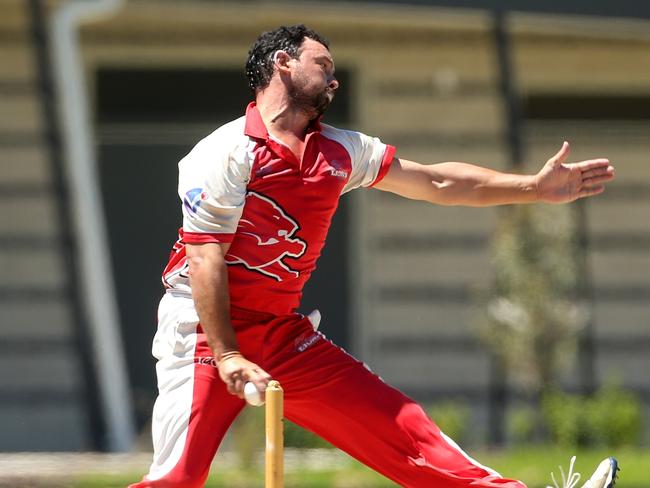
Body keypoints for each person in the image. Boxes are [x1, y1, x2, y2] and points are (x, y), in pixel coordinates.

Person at [130, 24, 618, 488]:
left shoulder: (343, 150)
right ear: (282, 63)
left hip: (281, 332)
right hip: (203, 331)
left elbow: (436, 181)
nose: (334, 78)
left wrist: (533, 187)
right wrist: (228, 353)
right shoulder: (224, 152)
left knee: (405, 429)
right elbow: (205, 258)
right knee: (179, 478)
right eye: (322, 64)